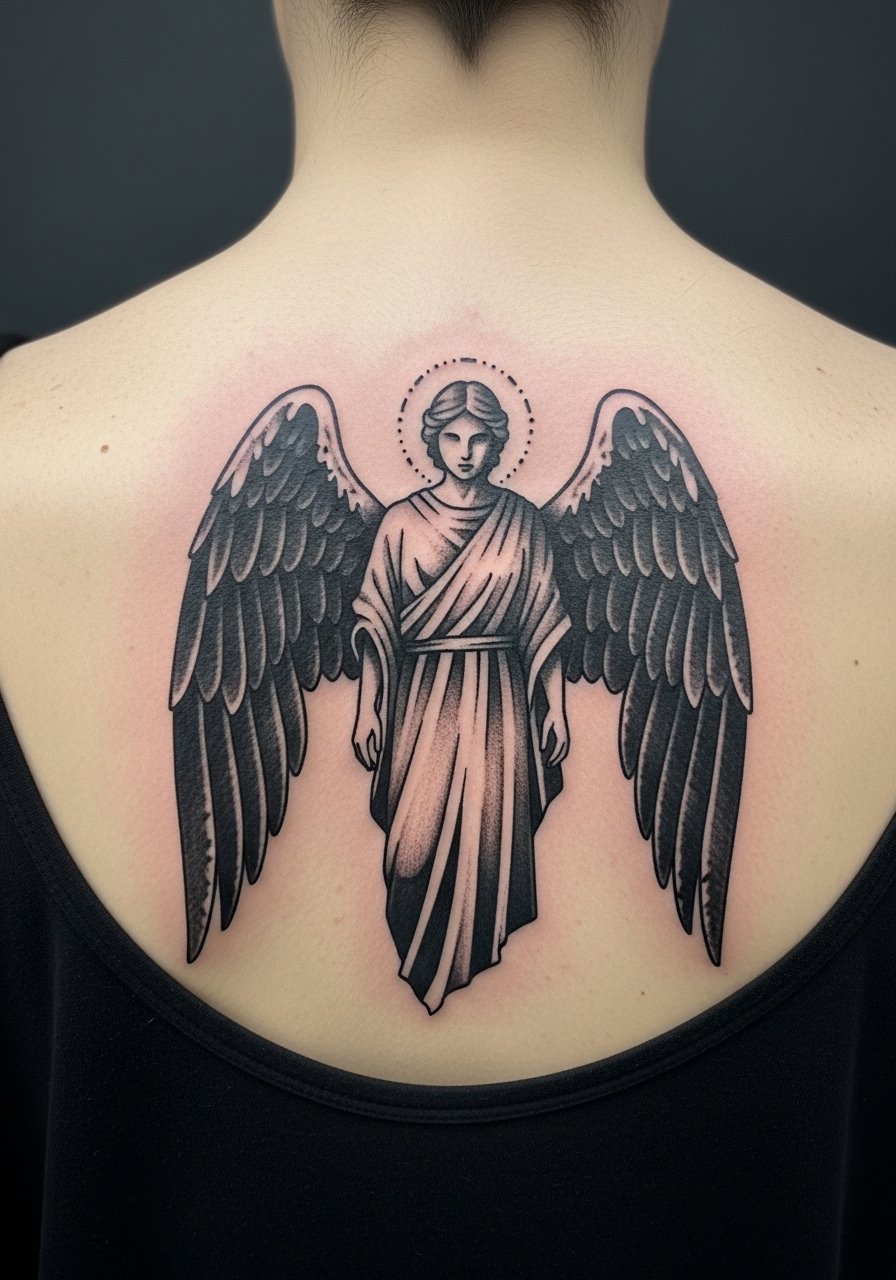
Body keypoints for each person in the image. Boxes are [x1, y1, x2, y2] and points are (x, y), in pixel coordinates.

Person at [0, 1, 894, 1275]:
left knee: (484, 851)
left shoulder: (28, 459)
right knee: (420, 851)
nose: (468, 445)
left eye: (482, 432)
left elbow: (548, 627)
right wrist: (376, 699)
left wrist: (540, 706)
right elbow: (369, 618)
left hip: (493, 715)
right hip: (423, 709)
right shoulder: (395, 516)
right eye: (453, 432)